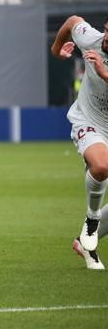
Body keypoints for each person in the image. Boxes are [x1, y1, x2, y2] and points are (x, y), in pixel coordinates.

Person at [52, 15, 108, 270]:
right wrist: (56, 49)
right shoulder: (92, 40)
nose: (106, 38)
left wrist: (104, 73)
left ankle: (85, 243)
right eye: (107, 31)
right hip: (88, 120)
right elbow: (73, 21)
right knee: (102, 166)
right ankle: (92, 219)